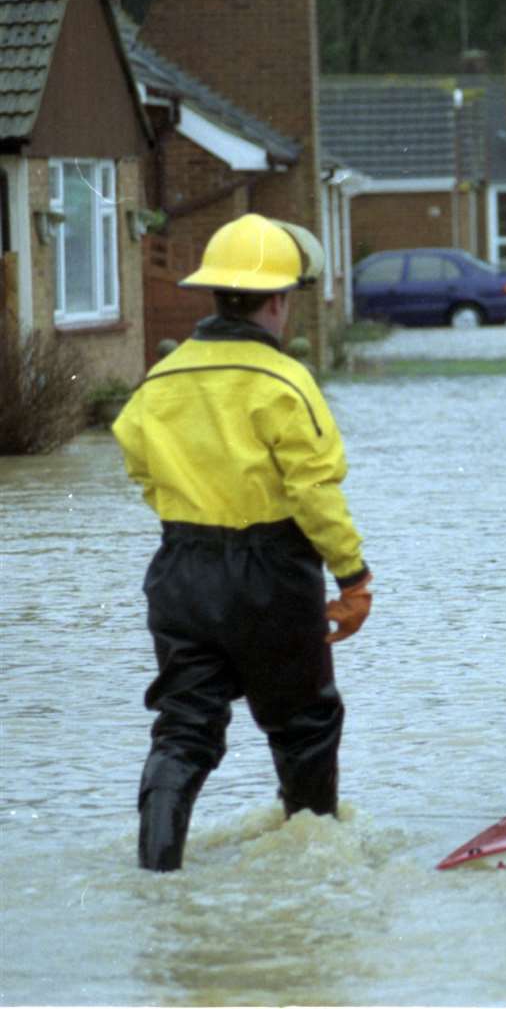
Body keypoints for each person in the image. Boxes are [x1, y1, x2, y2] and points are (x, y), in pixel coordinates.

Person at [112, 213, 373, 872]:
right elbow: (314, 492)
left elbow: (139, 464)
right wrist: (352, 576)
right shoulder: (285, 382)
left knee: (185, 729)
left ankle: (156, 868)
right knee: (306, 724)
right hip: (271, 572)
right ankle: (315, 860)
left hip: (180, 569)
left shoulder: (160, 378)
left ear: (216, 293)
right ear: (278, 299)